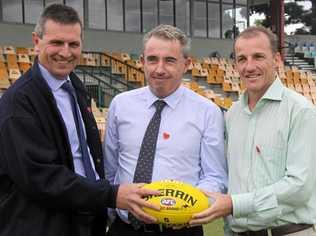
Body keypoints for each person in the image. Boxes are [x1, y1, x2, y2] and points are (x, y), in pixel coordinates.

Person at [0, 4, 159, 236]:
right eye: (56, 43)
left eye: (73, 44)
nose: (65, 52)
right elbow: (40, 177)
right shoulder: (19, 103)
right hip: (41, 224)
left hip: (82, 218)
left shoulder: (74, 86)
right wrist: (112, 195)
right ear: (36, 41)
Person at [190, 26, 316, 236]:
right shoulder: (232, 115)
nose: (249, 66)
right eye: (242, 59)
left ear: (276, 59)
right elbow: (233, 181)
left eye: (258, 57)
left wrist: (234, 204)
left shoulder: (301, 111)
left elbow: (299, 187)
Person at [103, 24, 227, 236]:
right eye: (152, 59)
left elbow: (215, 177)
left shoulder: (207, 111)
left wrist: (187, 208)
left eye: (169, 60)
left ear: (186, 64)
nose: (159, 69)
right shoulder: (120, 105)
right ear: (142, 62)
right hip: (124, 229)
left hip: (180, 229)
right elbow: (110, 169)